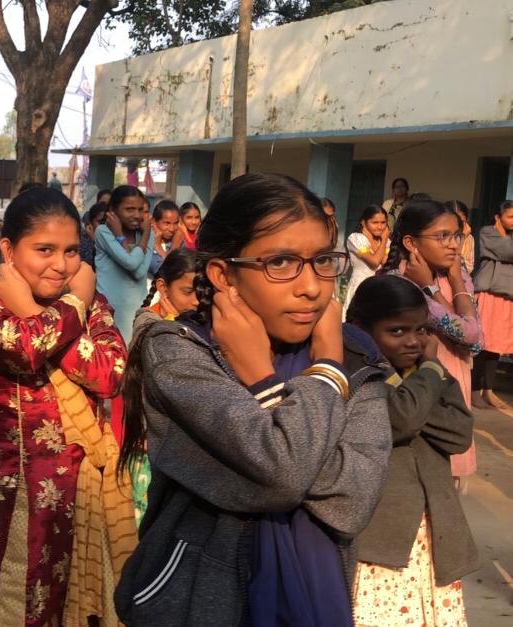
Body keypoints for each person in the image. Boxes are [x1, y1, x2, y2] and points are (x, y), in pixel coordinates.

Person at [115, 172, 391, 626]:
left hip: (316, 599)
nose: (311, 286)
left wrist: (280, 385)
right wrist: (322, 377)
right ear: (224, 275)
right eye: (280, 263)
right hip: (194, 603)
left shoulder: (355, 358)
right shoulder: (182, 352)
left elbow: (353, 501)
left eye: (322, 260)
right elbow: (283, 474)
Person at [0, 187, 134, 626]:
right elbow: (27, 348)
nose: (60, 265)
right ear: (7, 248)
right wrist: (73, 303)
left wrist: (59, 307)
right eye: (44, 250)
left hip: (68, 502)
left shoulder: (95, 308)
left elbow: (111, 373)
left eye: (70, 251)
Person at [346, 274, 476, 626]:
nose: (414, 342)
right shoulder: (357, 372)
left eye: (421, 331)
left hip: (431, 537)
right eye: (397, 331)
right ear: (359, 327)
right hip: (380, 541)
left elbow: (459, 434)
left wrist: (419, 385)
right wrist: (430, 371)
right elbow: (401, 418)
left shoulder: (423, 372)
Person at [383, 199, 481, 479]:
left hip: (456, 385)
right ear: (411, 243)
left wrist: (451, 283)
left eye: (456, 236)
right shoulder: (400, 282)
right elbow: (468, 331)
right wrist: (429, 287)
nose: (453, 245)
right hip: (421, 391)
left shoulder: (456, 276)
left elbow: (475, 342)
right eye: (442, 236)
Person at [123, 247, 199, 530]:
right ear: (162, 287)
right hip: (150, 443)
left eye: (201, 291)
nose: (196, 301)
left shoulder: (185, 321)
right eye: (187, 291)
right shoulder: (150, 325)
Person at [94, 185, 154, 346]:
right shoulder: (103, 232)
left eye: (140, 210)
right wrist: (122, 236)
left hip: (137, 311)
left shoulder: (147, 233)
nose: (137, 215)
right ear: (113, 210)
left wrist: (145, 235)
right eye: (129, 209)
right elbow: (131, 263)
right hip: (109, 311)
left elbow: (138, 272)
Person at [472, 200, 513, 413]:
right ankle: (474, 388)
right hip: (489, 292)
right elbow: (506, 251)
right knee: (482, 343)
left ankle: (488, 389)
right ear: (498, 217)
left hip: (507, 295)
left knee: (496, 345)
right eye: (510, 217)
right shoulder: (488, 232)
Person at [342, 205, 390, 316]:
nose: (380, 227)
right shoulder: (355, 238)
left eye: (383, 222)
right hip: (360, 285)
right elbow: (374, 262)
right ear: (364, 223)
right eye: (375, 222)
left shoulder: (385, 240)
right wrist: (382, 241)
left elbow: (384, 261)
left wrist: (382, 240)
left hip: (380, 288)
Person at [147, 199, 184, 279]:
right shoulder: (147, 242)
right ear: (154, 221)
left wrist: (175, 245)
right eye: (166, 223)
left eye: (175, 223)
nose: (172, 229)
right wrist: (159, 247)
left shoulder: (179, 241)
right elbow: (166, 272)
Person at [447, 200, 475, 273]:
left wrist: (464, 237)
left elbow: (469, 268)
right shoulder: (441, 236)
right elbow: (448, 264)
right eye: (454, 221)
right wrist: (462, 238)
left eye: (461, 221)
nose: (458, 226)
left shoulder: (469, 238)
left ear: (467, 220)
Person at [80, 202, 107, 269]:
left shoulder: (114, 236)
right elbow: (87, 263)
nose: (104, 226)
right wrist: (94, 240)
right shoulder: (83, 239)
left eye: (107, 222)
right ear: (91, 222)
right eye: (101, 222)